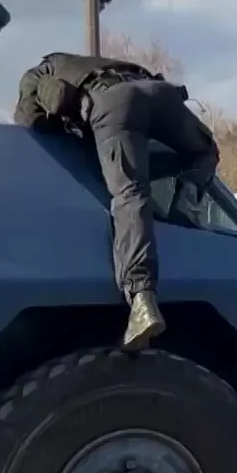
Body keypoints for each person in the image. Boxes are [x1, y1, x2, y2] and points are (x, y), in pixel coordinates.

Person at [14, 54, 222, 348]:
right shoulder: (95, 61)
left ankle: (141, 299)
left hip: (112, 104)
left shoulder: (39, 72)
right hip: (160, 94)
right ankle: (183, 208)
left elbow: (30, 122)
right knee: (206, 151)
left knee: (130, 192)